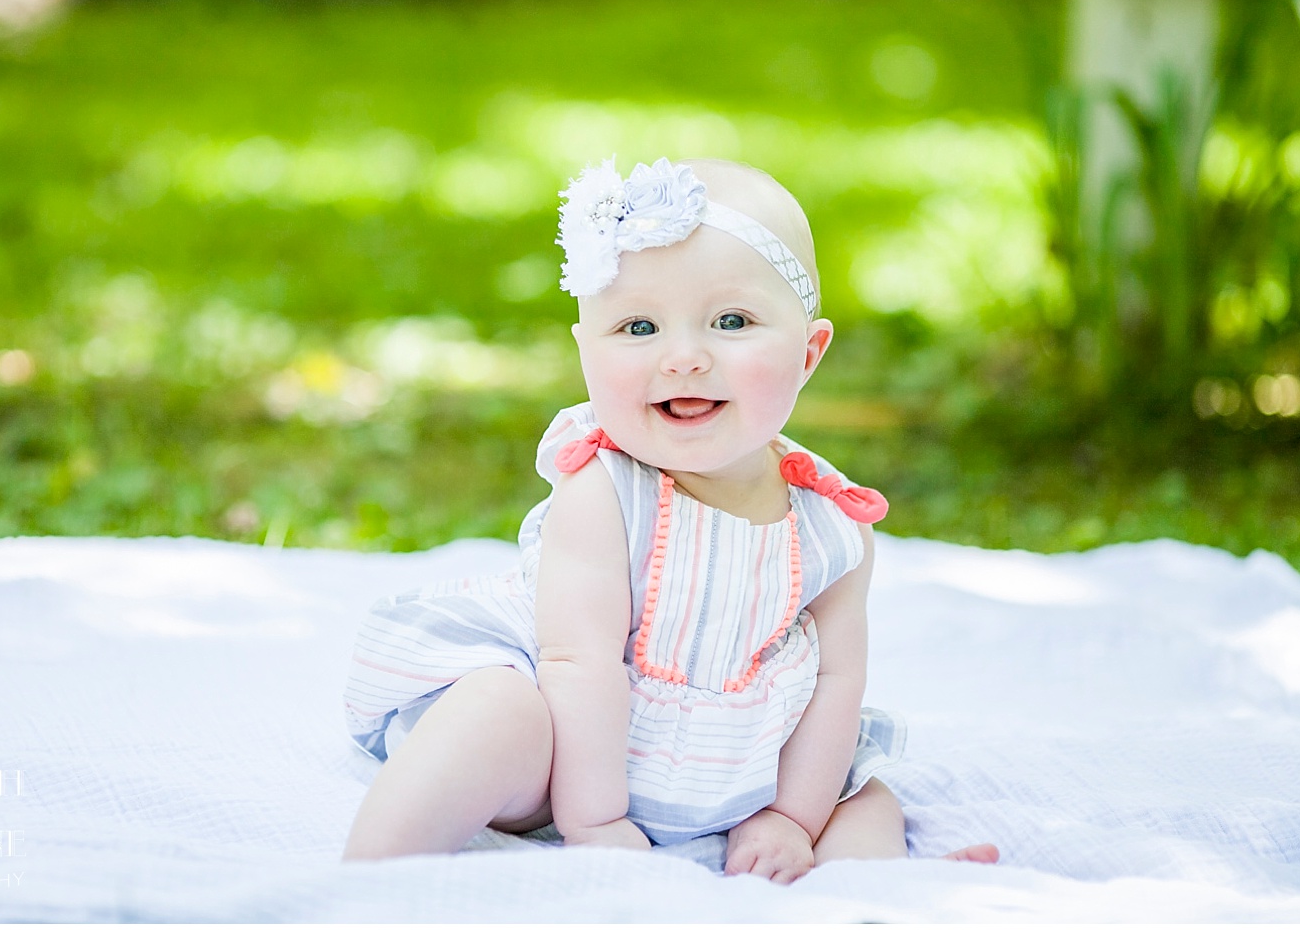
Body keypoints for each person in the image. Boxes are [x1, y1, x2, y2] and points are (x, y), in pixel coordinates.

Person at [341, 157, 997, 881]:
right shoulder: (603, 488)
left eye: (731, 321)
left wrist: (791, 816)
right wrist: (593, 821)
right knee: (494, 714)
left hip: (738, 762)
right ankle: (372, 874)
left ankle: (874, 892)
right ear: (587, 353)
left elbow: (839, 680)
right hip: (570, 751)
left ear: (808, 353)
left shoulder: (833, 523)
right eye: (640, 326)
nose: (684, 357)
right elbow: (576, 660)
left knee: (866, 795)